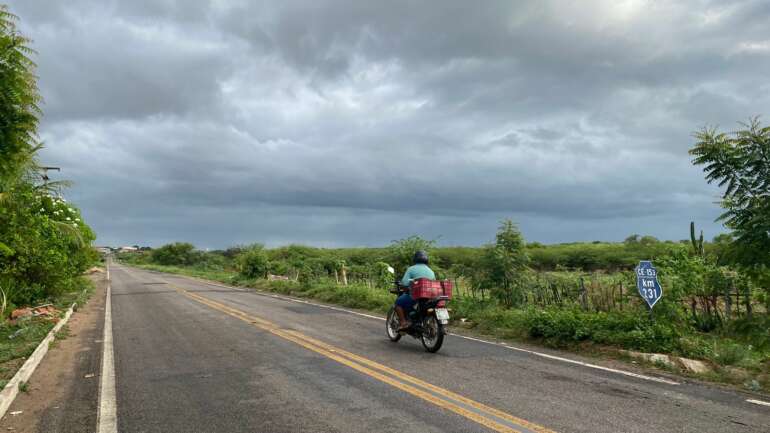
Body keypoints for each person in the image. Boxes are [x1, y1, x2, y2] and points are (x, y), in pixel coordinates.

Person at [395, 250, 435, 331]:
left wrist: (405, 286)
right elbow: (434, 283)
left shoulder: (411, 269)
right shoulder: (431, 270)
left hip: (415, 295)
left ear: (415, 259)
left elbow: (405, 283)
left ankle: (403, 322)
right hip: (429, 296)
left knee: (398, 303)